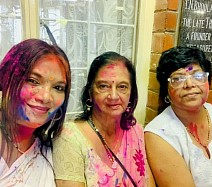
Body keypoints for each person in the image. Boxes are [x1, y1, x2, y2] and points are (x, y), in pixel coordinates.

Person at [144, 46, 212, 187]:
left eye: (197, 76)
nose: (190, 84)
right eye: (178, 79)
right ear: (167, 91)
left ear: (208, 81)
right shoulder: (159, 134)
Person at [52, 51, 155, 187]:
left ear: (131, 93)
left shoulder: (136, 132)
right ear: (90, 92)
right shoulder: (70, 138)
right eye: (103, 86)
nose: (113, 96)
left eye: (122, 87)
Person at [0, 38, 71, 186]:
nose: (45, 97)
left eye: (58, 88)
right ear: (5, 80)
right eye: (33, 81)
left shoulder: (51, 151)